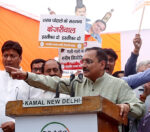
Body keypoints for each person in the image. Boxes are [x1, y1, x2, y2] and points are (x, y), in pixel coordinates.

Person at [6, 47, 145, 120]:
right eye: (82, 61)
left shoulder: (118, 84)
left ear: (102, 64)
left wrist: (127, 106)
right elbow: (52, 82)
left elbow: (139, 108)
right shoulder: (77, 82)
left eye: (88, 62)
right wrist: (27, 75)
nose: (83, 65)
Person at [0, 40, 30, 132]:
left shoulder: (29, 80)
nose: (8, 59)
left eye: (12, 56)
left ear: (20, 58)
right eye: (5, 55)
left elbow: (34, 109)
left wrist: (15, 124)